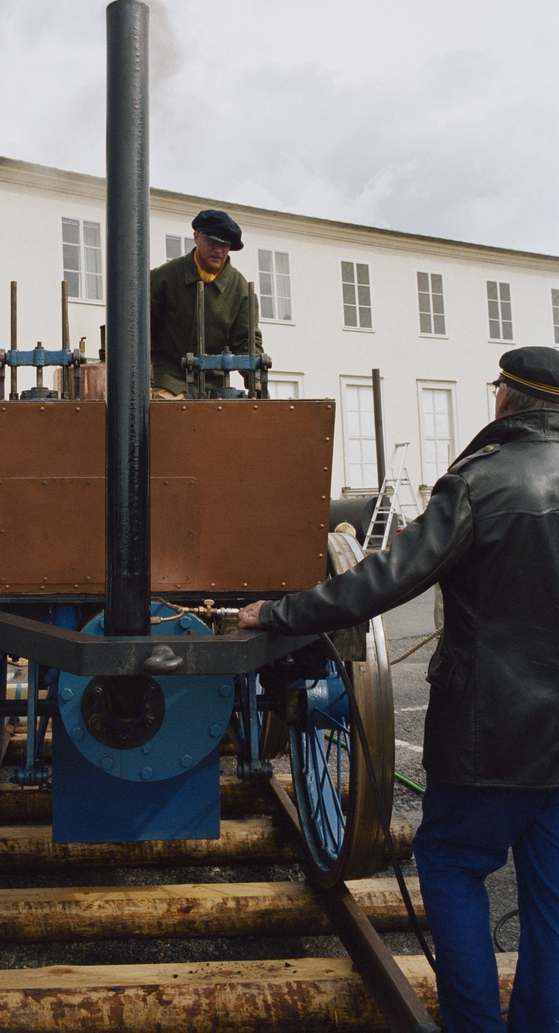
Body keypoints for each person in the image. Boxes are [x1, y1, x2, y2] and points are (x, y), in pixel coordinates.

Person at [238, 345, 559, 1033]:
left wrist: (279, 613)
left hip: (488, 737)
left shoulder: (480, 482)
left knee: (452, 865)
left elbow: (382, 581)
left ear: (506, 399)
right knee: (554, 901)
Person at [150, 209, 263, 398]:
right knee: (169, 411)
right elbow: (140, 328)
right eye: (212, 242)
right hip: (168, 378)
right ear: (196, 237)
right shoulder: (165, 277)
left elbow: (247, 342)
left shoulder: (241, 290)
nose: (218, 250)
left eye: (224, 244)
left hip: (215, 387)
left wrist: (257, 382)